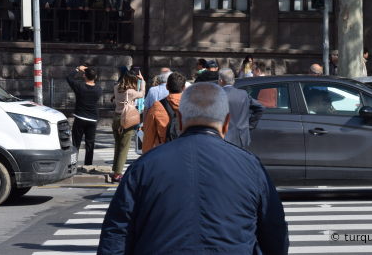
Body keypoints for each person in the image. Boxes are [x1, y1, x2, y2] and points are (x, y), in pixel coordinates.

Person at [97, 83, 288, 255]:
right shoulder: (250, 167)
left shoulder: (144, 166)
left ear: (179, 120)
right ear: (227, 122)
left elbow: (116, 234)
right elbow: (275, 233)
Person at [110, 70, 145, 183]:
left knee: (117, 145)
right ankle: (117, 174)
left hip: (116, 117)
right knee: (124, 147)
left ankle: (115, 169)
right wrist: (142, 80)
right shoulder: (131, 92)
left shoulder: (116, 87)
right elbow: (142, 93)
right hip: (126, 119)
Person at [66, 65, 102, 171]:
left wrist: (77, 69)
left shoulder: (80, 86)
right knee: (90, 143)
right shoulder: (98, 89)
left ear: (84, 76)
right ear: (95, 77)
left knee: (76, 143)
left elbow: (69, 78)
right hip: (92, 119)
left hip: (80, 118)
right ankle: (88, 166)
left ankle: (73, 165)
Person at [218, 68, 264, 150]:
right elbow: (260, 108)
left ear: (221, 80)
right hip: (241, 137)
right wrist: (250, 125)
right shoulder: (243, 94)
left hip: (223, 138)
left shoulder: (217, 95)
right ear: (233, 80)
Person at [141, 71, 186, 153]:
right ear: (183, 88)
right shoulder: (192, 106)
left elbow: (149, 135)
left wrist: (146, 156)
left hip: (165, 151)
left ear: (167, 87)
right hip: (186, 152)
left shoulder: (157, 106)